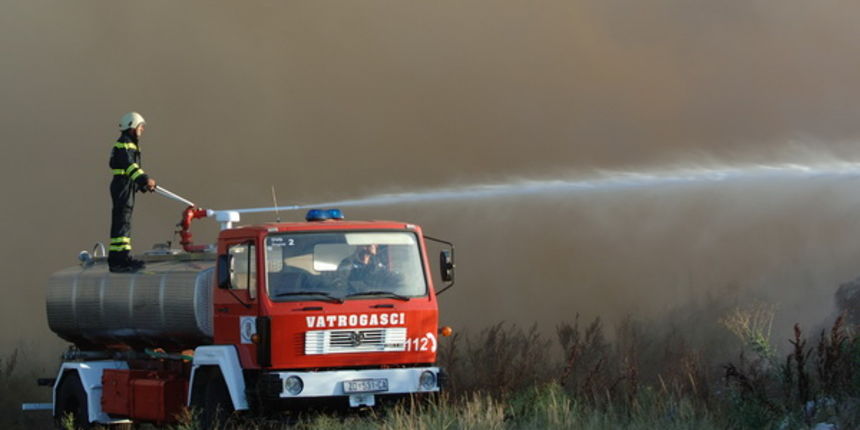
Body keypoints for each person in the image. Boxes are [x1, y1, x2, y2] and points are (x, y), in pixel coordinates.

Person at [108, 112, 157, 273]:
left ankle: (120, 257)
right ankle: (120, 260)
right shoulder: (125, 144)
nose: (142, 129)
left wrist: (142, 185)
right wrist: (144, 180)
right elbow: (130, 167)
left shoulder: (128, 143)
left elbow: (129, 169)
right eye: (140, 126)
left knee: (124, 222)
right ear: (132, 126)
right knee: (122, 222)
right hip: (123, 185)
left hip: (125, 185)